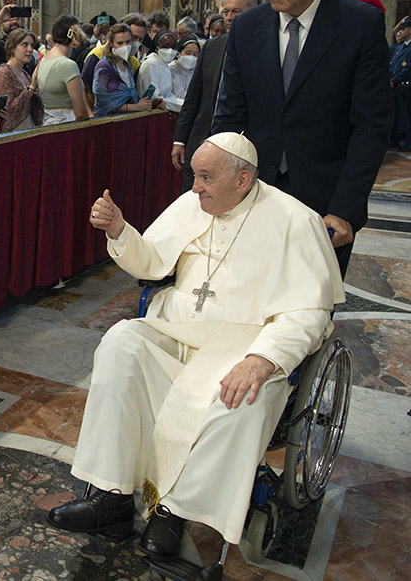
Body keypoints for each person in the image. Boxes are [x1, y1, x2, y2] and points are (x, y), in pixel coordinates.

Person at [48, 133, 343, 559]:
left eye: (205, 177)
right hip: (179, 332)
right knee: (122, 343)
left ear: (242, 180)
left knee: (242, 399)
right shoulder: (194, 204)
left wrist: (263, 359)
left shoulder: (295, 220)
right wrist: (119, 230)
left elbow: (309, 314)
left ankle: (175, 514)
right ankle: (110, 499)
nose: (194, 188)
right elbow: (150, 261)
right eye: (194, 176)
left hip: (247, 347)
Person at [212, 0, 392, 276]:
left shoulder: (360, 25)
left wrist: (345, 208)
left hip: (325, 201)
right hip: (253, 193)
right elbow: (230, 114)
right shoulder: (248, 27)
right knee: (246, 300)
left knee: (310, 312)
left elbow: (370, 127)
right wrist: (212, 183)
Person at [172, 0, 258, 192]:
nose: (228, 17)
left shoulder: (260, 49)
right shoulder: (212, 47)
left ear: (254, 13)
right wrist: (180, 139)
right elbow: (194, 97)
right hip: (201, 140)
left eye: (236, 11)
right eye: (226, 11)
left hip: (241, 146)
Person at [92, 23, 160, 117]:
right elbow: (106, 105)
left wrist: (149, 103)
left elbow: (131, 96)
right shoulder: (104, 68)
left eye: (128, 42)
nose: (125, 46)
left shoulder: (128, 64)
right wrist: (136, 107)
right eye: (120, 43)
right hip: (108, 122)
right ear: (111, 43)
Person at [38, 15, 92, 124]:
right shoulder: (67, 65)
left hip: (49, 122)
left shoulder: (45, 60)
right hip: (66, 123)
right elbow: (80, 112)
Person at [0, 28, 43, 133]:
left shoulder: (25, 74)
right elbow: (9, 112)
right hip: (12, 133)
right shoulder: (3, 74)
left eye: (32, 45)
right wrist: (31, 89)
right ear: (12, 48)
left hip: (28, 129)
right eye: (24, 45)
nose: (30, 49)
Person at [136, 30, 180, 112]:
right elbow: (155, 98)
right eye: (166, 46)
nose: (170, 50)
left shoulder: (164, 64)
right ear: (157, 47)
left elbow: (169, 94)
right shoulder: (151, 64)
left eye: (173, 47)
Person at [388, 16, 411, 149]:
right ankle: (395, 139)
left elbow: (408, 68)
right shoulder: (399, 47)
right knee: (395, 115)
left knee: (406, 115)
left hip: (405, 86)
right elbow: (393, 65)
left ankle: (408, 141)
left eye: (405, 28)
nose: (401, 31)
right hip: (395, 86)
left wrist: (395, 80)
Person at [168, 35, 200, 103]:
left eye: (195, 54)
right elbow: (179, 94)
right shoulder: (172, 68)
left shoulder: (197, 70)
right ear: (178, 54)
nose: (191, 57)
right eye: (188, 53)